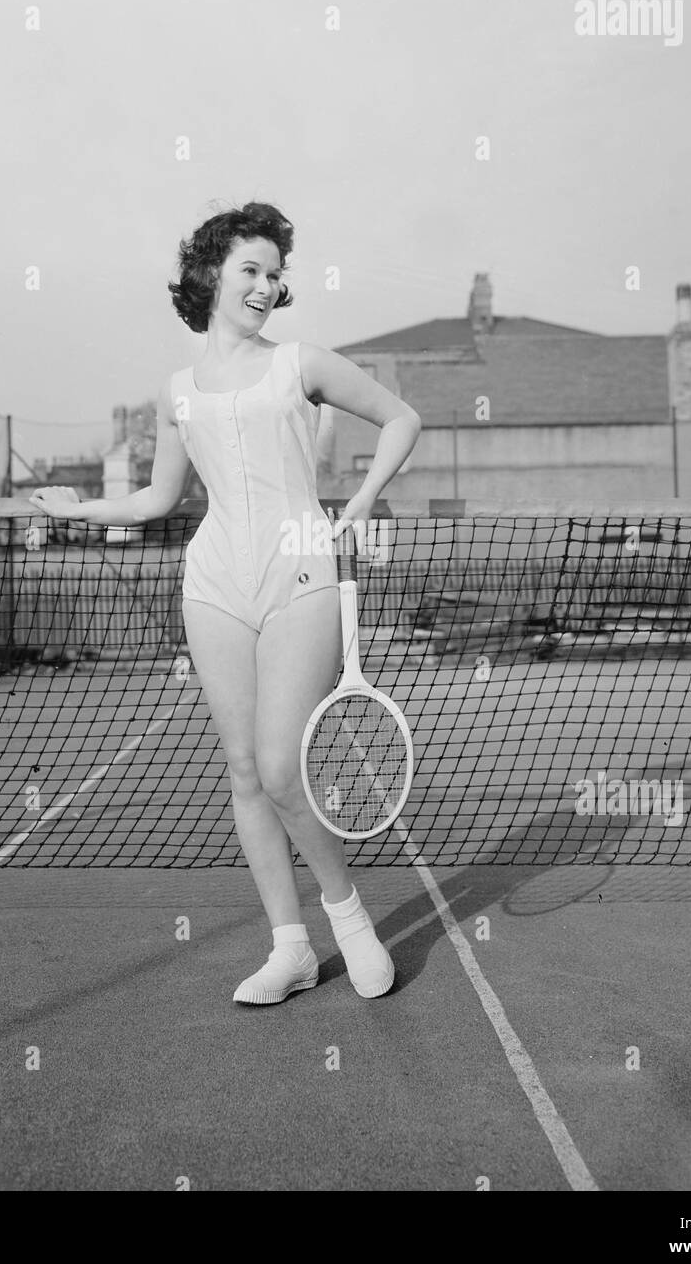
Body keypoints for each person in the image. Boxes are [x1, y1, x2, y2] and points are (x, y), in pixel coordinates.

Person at [31, 201, 422, 1004]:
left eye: (275, 275)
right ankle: (291, 951)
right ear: (210, 273)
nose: (265, 286)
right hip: (211, 582)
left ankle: (348, 921)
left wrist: (356, 507)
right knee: (244, 772)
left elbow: (400, 419)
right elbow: (155, 500)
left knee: (283, 767)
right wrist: (74, 511)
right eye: (251, 269)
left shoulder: (300, 364)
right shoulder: (178, 391)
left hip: (300, 572)